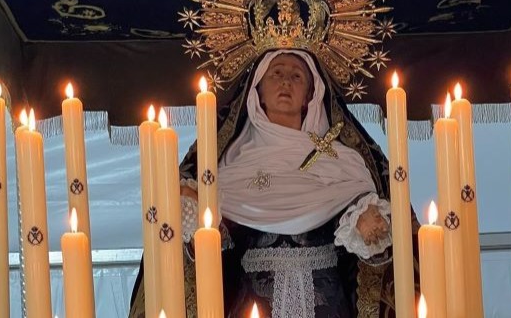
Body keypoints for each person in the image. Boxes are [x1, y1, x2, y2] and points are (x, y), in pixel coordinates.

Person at [129, 49, 421, 317]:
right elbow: (214, 249)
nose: (286, 83)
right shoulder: (227, 165)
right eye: (276, 73)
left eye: (297, 76)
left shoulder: (343, 161)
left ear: (311, 92)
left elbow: (372, 254)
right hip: (253, 304)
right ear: (257, 90)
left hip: (327, 303)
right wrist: (197, 220)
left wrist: (367, 226)